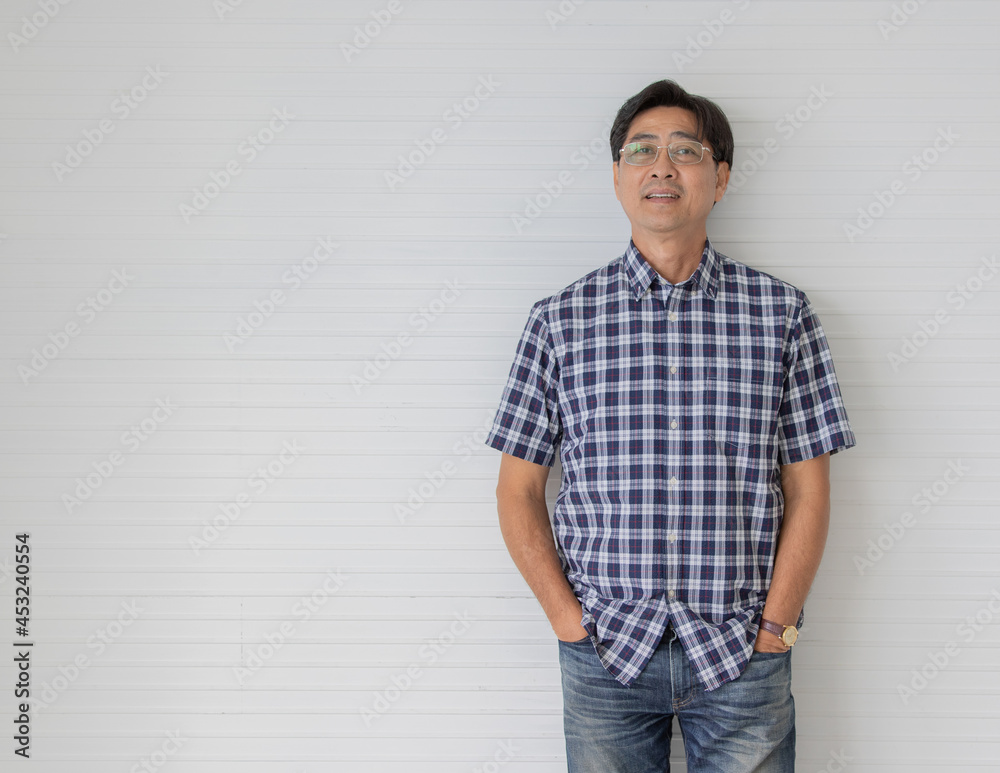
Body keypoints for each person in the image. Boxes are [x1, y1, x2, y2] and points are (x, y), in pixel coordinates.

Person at [485, 80, 856, 772]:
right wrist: (569, 621)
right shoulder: (559, 322)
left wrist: (776, 627)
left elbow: (809, 489)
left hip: (744, 648)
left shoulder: (783, 315)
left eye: (685, 150)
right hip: (606, 653)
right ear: (619, 177)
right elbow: (517, 489)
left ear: (719, 178)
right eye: (641, 151)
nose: (662, 166)